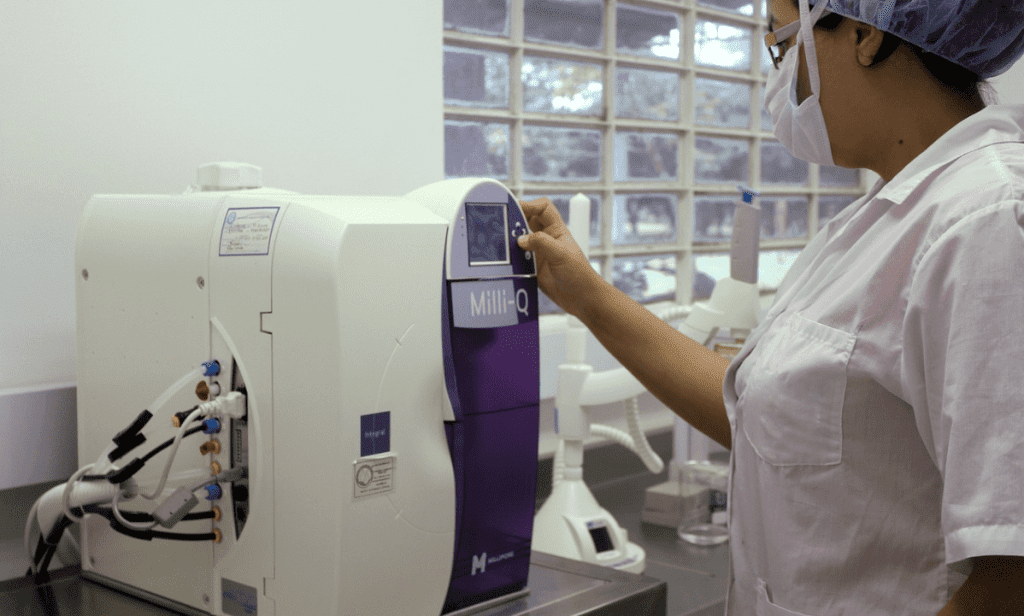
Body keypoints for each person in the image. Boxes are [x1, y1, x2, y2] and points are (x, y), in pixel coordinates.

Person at [516, 0, 1024, 613]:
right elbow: (762, 421)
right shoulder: (877, 222)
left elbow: (1008, 580)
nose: (781, 81)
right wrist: (586, 295)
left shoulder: (987, 224)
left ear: (865, 34)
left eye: (782, 44)